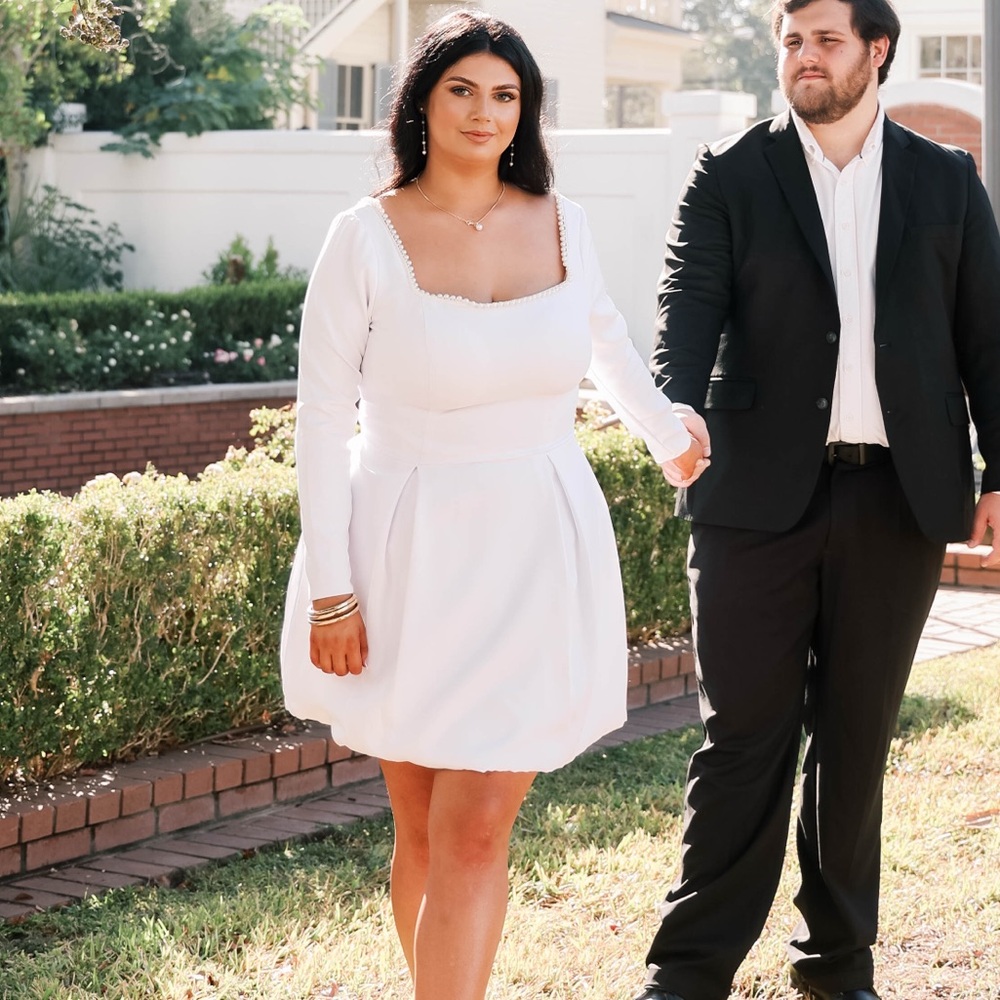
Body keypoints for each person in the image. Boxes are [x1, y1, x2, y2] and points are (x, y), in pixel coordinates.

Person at [279, 11, 708, 1000]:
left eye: (505, 94)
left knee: (475, 827)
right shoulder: (363, 237)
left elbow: (604, 342)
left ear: (527, 111)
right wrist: (332, 592)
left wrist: (665, 431)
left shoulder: (562, 218)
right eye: (462, 89)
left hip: (536, 543)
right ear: (422, 104)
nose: (484, 111)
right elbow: (321, 420)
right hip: (403, 551)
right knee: (424, 827)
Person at [633, 1, 1000, 999]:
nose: (803, 56)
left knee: (854, 739)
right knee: (742, 738)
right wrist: (674, 410)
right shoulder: (729, 172)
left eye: (825, 39)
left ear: (876, 50)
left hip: (898, 501)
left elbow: (986, 335)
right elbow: (686, 305)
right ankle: (687, 974)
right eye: (790, 40)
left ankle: (837, 967)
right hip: (751, 499)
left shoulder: (946, 178)